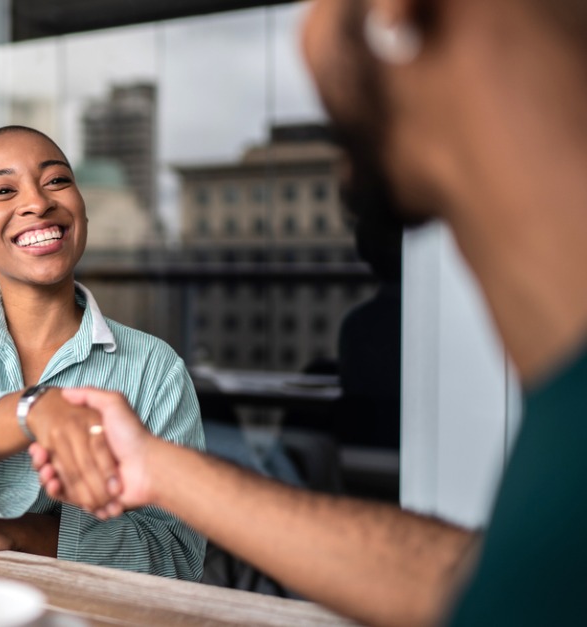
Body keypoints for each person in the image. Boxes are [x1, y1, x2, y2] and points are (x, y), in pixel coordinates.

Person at [33, 0, 587, 624]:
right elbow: (477, 578)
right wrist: (156, 468)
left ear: (394, 12)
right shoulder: (563, 451)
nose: (305, 27)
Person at [0, 126, 207, 580]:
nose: (37, 202)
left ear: (81, 212)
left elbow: (175, 558)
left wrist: (22, 533)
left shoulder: (154, 368)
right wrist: (37, 410)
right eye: (4, 190)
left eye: (56, 181)